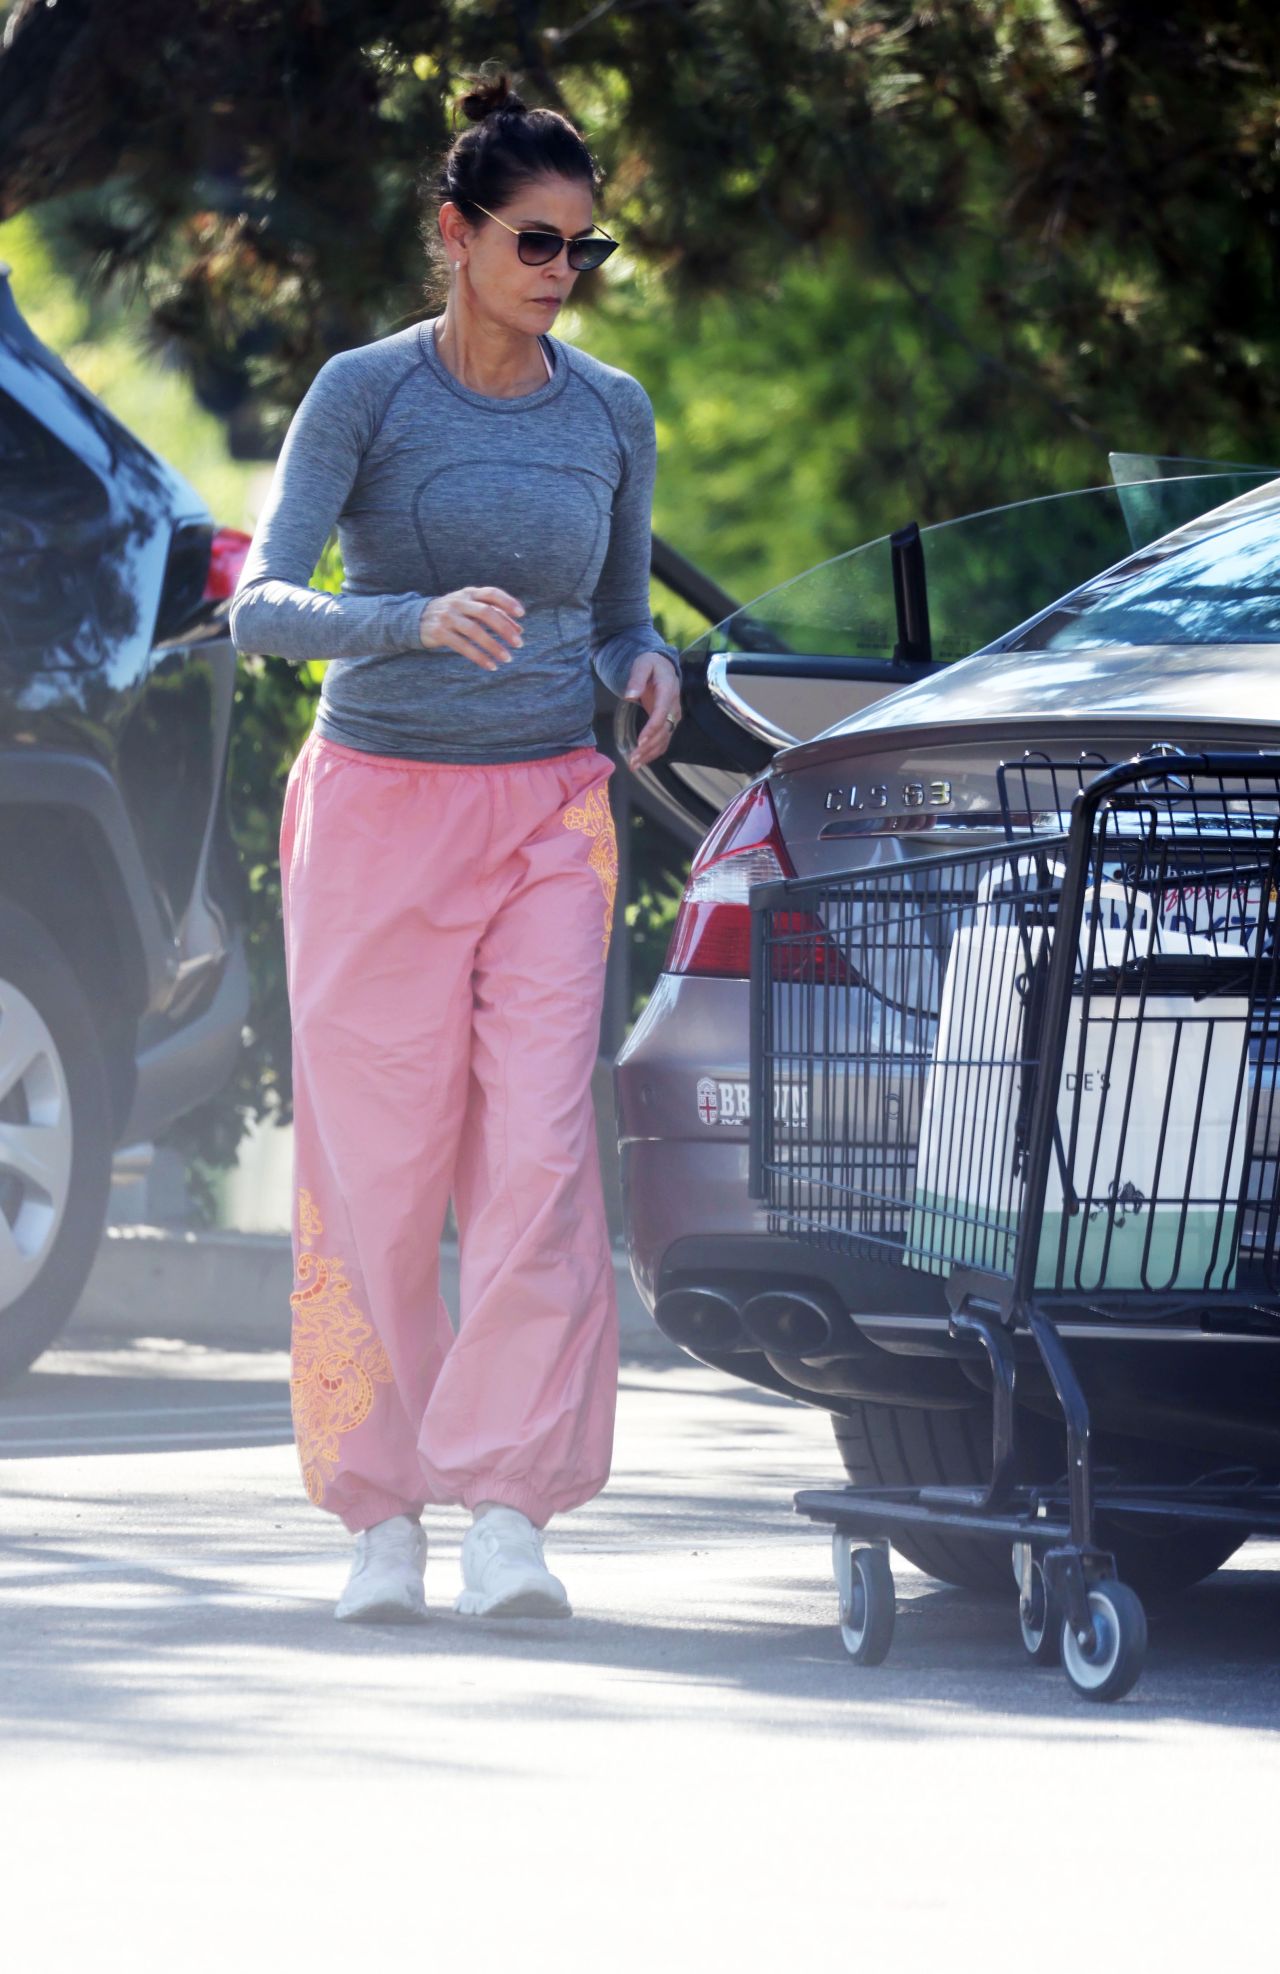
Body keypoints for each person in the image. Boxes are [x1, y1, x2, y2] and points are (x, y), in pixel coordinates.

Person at [228, 66, 682, 1624]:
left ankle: (508, 1506)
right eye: (538, 244)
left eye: (586, 251)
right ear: (459, 232)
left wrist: (646, 667)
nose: (564, 276)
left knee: (543, 1150)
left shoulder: (611, 410)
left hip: (551, 807)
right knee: (380, 1165)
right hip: (376, 807)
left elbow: (621, 613)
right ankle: (382, 1515)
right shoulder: (366, 392)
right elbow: (261, 606)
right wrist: (409, 618)